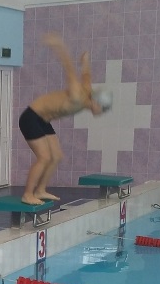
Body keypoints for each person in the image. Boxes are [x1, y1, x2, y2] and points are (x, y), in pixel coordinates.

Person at [19, 33, 111, 206]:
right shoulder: (77, 96)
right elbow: (69, 68)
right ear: (96, 102)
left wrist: (85, 60)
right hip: (31, 117)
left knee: (56, 156)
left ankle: (40, 190)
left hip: (43, 120)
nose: (102, 112)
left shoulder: (88, 91)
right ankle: (27, 194)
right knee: (44, 157)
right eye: (103, 108)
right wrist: (59, 45)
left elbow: (86, 74)